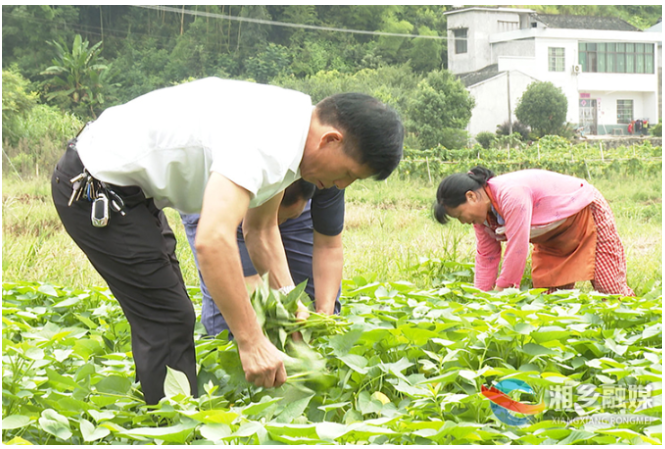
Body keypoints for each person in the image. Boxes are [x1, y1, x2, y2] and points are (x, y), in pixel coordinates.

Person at [51, 77, 404, 404]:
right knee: (168, 318)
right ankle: (172, 430)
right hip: (95, 184)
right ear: (330, 140)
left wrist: (289, 303)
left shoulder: (293, 126)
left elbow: (260, 230)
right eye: (346, 174)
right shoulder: (271, 141)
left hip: (132, 192)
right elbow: (212, 239)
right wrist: (251, 341)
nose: (341, 186)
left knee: (168, 312)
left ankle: (171, 414)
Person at [433, 166, 635, 297]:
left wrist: (503, 292)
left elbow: (517, 247)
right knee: (550, 300)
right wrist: (481, 299)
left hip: (585, 213)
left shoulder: (510, 194)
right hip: (552, 238)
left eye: (460, 215)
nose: (463, 222)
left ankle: (640, 326)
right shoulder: (481, 219)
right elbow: (487, 257)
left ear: (471, 197)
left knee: (610, 290)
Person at [180, 179, 345, 337]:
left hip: (281, 192)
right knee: (233, 311)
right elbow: (245, 273)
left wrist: (323, 314)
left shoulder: (328, 173)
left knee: (308, 298)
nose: (277, 225)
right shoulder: (244, 175)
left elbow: (328, 245)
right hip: (224, 192)